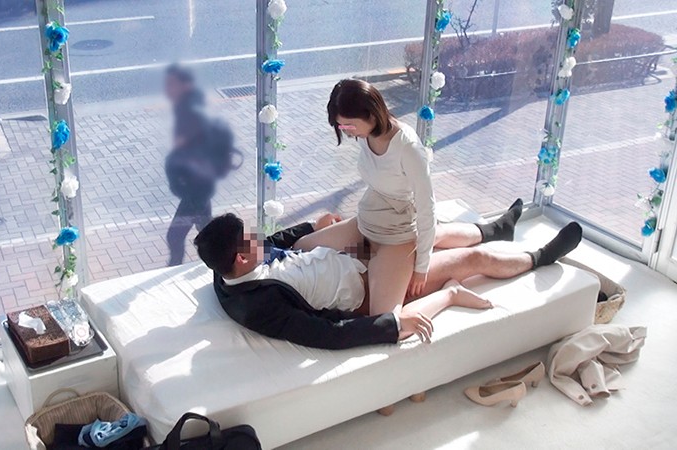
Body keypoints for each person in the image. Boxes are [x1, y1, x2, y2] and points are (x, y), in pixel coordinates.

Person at [193, 202, 584, 350]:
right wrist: (390, 326)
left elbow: (279, 241)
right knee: (467, 258)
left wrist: (314, 226)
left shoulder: (225, 270)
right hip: (366, 287)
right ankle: (539, 257)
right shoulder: (257, 307)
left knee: (412, 229)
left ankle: (495, 229)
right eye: (250, 239)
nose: (258, 238)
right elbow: (324, 334)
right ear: (240, 259)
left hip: (341, 258)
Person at [295, 79, 435, 320]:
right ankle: (371, 260)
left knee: (382, 318)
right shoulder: (365, 133)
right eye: (341, 126)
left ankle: (451, 293)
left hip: (396, 237)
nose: (346, 132)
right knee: (300, 249)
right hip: (366, 223)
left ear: (371, 114)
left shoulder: (408, 148)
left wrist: (421, 269)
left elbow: (427, 210)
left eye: (349, 125)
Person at [163, 64, 242, 266]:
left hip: (197, 187)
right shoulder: (185, 108)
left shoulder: (191, 112)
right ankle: (230, 257)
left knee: (175, 235)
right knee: (206, 230)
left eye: (172, 83)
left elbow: (195, 150)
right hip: (198, 186)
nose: (167, 87)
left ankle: (177, 269)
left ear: (186, 85)